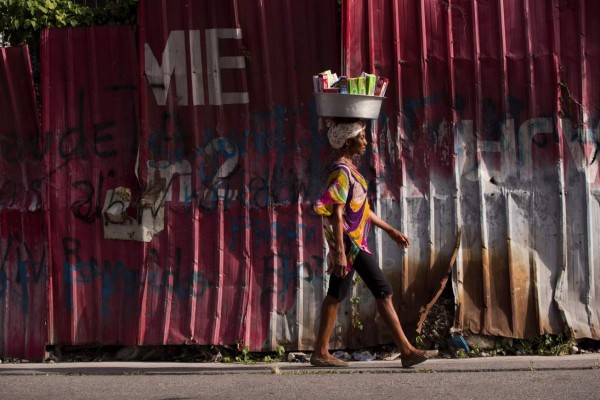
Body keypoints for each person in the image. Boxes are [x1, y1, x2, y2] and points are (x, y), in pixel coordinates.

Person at [310, 117, 438, 368]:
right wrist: (339, 253)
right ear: (348, 142)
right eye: (361, 138)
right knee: (383, 290)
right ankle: (407, 350)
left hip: (353, 243)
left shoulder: (350, 171)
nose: (366, 142)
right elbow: (336, 214)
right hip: (350, 244)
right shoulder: (341, 172)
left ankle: (320, 352)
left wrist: (390, 230)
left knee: (336, 294)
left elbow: (360, 209)